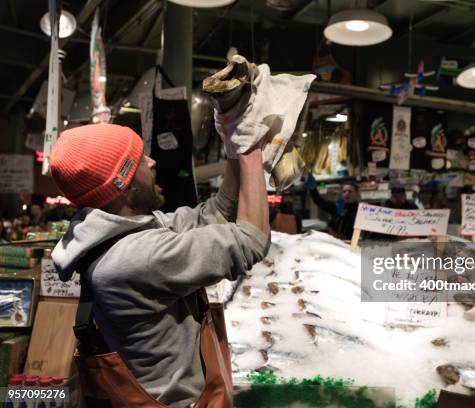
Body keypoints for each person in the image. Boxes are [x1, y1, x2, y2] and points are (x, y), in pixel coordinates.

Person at [50, 123, 270, 407]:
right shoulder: (138, 256)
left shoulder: (109, 237)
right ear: (123, 184)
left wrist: (233, 140)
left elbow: (216, 213)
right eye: (141, 159)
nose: (152, 162)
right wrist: (252, 148)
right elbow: (251, 240)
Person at [306, 174, 359, 240]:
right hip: (335, 244)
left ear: (356, 194)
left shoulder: (360, 211)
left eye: (350, 191)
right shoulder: (337, 207)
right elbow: (320, 201)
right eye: (344, 192)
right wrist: (313, 189)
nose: (347, 193)